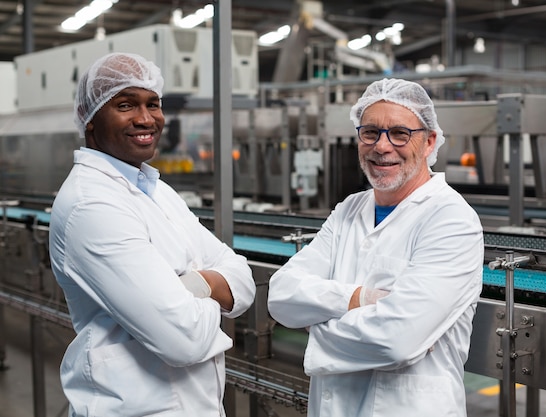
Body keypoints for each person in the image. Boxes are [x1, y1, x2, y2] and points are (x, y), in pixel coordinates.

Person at [49, 52, 256, 417]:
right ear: (91, 119)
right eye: (125, 105)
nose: (145, 119)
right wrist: (211, 286)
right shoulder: (92, 205)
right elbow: (183, 338)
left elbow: (242, 278)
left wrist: (188, 287)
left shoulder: (155, 189)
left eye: (153, 104)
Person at [267, 78, 484, 416]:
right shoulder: (349, 210)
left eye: (400, 133)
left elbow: (396, 339)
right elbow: (280, 296)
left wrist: (315, 321)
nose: (382, 146)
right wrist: (361, 299)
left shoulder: (451, 219)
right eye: (370, 132)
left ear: (429, 142)